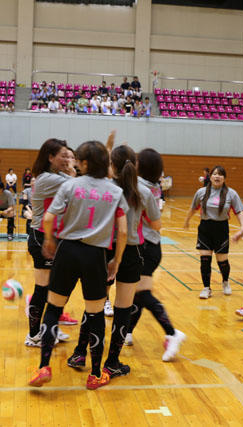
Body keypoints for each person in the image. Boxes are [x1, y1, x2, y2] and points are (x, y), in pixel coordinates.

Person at [29, 140, 128, 390]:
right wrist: (116, 260)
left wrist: (49, 240)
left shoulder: (70, 185)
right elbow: (123, 231)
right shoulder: (115, 191)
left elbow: (49, 218)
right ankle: (95, 375)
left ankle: (44, 366)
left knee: (53, 309)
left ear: (83, 163)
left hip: (67, 251)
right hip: (95, 255)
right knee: (95, 315)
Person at [67, 145, 157, 379]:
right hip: (132, 252)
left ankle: (79, 353)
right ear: (135, 165)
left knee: (94, 305)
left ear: (111, 165)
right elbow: (155, 224)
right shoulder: (144, 192)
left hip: (103, 249)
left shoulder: (105, 188)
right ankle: (112, 362)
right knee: (123, 308)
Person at [122, 148, 185, 360]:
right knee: (137, 294)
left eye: (136, 160)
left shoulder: (140, 187)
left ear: (141, 165)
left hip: (146, 246)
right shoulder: (152, 185)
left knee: (141, 293)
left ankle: (172, 333)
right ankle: (127, 332)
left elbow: (156, 223)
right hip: (150, 246)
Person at [25, 139, 72, 348]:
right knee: (42, 289)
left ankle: (49, 326)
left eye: (69, 156)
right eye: (64, 156)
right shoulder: (46, 179)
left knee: (57, 288)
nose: (67, 159)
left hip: (57, 237)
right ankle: (34, 335)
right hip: (42, 238)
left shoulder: (57, 176)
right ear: (50, 157)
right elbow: (77, 185)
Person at [183, 166, 243, 299]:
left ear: (224, 178)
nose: (217, 176)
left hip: (221, 229)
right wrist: (187, 221)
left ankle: (225, 282)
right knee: (205, 260)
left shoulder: (231, 193)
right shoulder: (201, 192)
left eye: (220, 174)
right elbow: (193, 208)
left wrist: (242, 227)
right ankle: (206, 288)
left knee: (222, 261)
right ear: (210, 177)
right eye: (215, 174)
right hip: (205, 228)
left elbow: (239, 211)